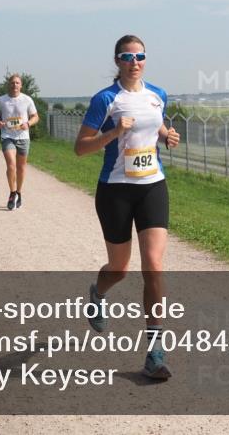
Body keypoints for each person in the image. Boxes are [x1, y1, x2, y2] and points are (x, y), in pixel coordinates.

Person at [74, 35, 180, 380]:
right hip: (115, 191)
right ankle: (98, 292)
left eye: (140, 56)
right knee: (119, 269)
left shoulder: (157, 95)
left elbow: (156, 122)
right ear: (117, 61)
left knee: (153, 265)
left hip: (152, 186)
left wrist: (166, 135)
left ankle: (155, 352)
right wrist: (114, 133)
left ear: (145, 60)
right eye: (127, 56)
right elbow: (80, 148)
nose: (135, 61)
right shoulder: (105, 99)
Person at [0, 75, 39, 210]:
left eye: (17, 83)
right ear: (8, 84)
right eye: (12, 83)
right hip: (7, 136)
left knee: (21, 168)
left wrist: (28, 124)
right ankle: (12, 193)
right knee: (11, 165)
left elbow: (35, 116)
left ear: (21, 85)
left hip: (23, 137)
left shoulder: (27, 99)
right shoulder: (1, 100)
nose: (15, 85)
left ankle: (19, 191)